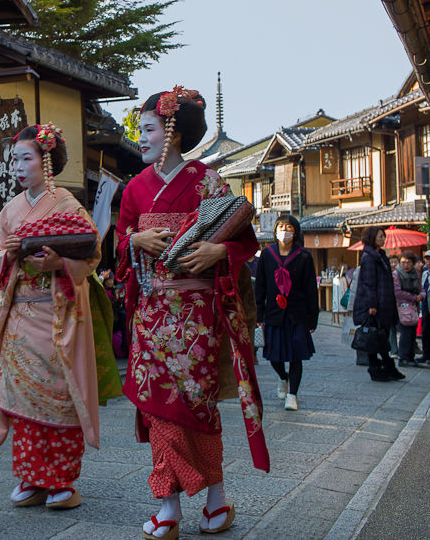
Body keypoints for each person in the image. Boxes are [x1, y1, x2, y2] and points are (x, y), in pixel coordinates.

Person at [115, 86, 268, 539]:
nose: (140, 139)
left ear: (173, 134)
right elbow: (119, 247)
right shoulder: (135, 190)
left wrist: (218, 247)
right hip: (151, 312)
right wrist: (133, 241)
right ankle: (169, 505)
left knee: (197, 408)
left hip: (197, 315)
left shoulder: (209, 182)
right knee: (159, 408)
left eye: (147, 130)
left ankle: (217, 498)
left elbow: (244, 239)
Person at [0, 123, 101, 510]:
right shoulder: (11, 210)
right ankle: (31, 477)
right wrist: (12, 255)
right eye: (13, 159)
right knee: (24, 402)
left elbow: (91, 254)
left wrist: (58, 262)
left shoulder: (68, 205)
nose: (17, 167)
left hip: (57, 316)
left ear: (46, 161)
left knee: (59, 397)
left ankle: (63, 480)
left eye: (26, 158)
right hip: (20, 318)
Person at [255, 215, 319, 411]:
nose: (285, 230)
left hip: (297, 314)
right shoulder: (267, 255)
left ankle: (292, 395)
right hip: (274, 314)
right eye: (281, 226)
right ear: (275, 230)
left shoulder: (304, 256)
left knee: (296, 356)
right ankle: (283, 377)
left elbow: (310, 289)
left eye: (289, 227)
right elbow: (261, 287)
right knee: (274, 356)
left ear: (296, 231)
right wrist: (259, 314)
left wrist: (312, 318)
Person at [352, 227, 406, 382]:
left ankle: (386, 367)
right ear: (372, 237)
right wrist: (372, 304)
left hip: (385, 302)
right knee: (375, 336)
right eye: (381, 236)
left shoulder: (380, 255)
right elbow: (369, 283)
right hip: (376, 304)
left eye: (384, 236)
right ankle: (378, 368)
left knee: (380, 336)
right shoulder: (369, 257)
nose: (384, 239)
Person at [393, 251, 425, 368]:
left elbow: (421, 288)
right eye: (403, 262)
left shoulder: (416, 274)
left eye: (408, 262)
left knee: (412, 332)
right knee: (405, 332)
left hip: (414, 308)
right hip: (402, 307)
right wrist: (413, 297)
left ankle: (410, 356)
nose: (405, 265)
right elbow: (397, 292)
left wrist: (422, 295)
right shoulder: (396, 274)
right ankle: (403, 357)